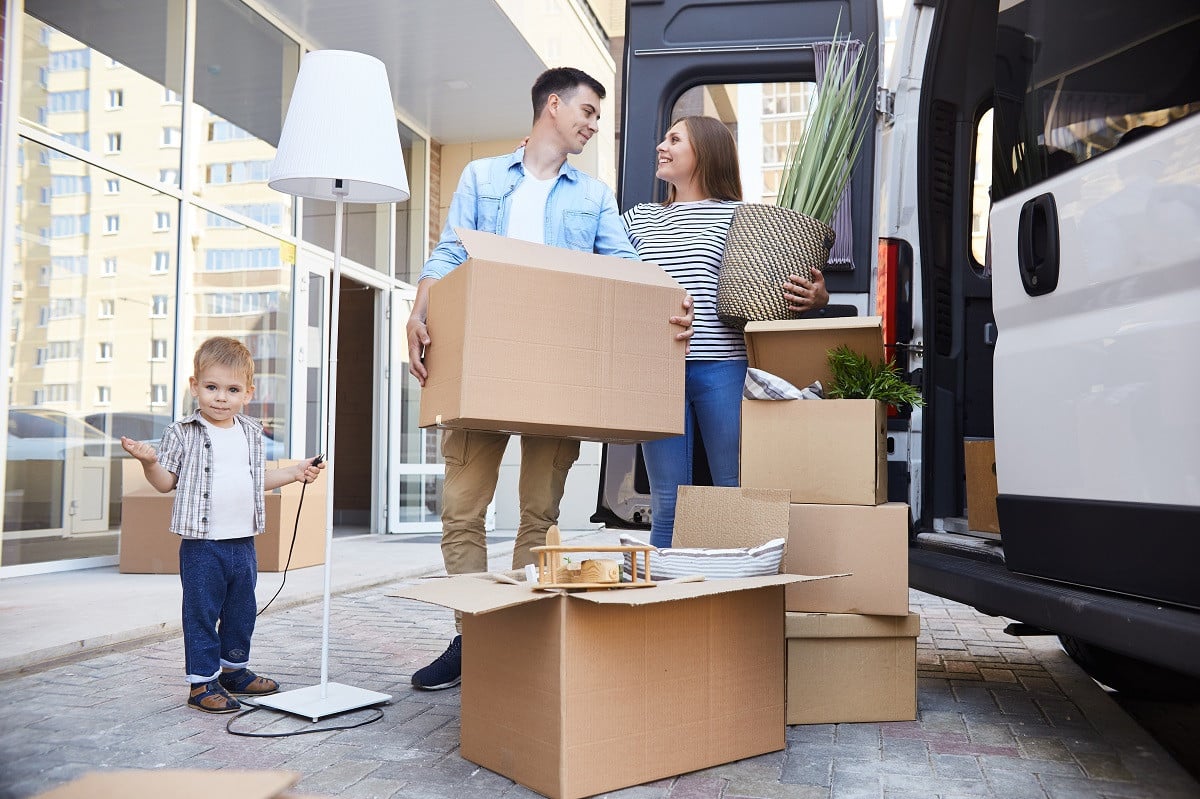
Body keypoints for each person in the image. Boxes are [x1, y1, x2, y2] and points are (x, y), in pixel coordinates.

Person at [405, 67, 693, 691]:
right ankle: (473, 636)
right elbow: (449, 254)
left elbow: (624, 265)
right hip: (483, 360)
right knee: (461, 510)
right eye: (587, 112)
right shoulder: (482, 177)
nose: (592, 125)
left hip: (559, 371)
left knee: (539, 513)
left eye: (596, 116)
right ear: (553, 106)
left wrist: (666, 302)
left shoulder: (591, 197)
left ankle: (517, 635)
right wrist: (419, 312)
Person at [621, 115, 828, 547]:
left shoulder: (744, 219)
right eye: (664, 138)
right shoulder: (637, 219)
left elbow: (777, 290)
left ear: (706, 152)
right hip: (655, 371)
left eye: (675, 139)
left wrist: (817, 297)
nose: (662, 145)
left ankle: (735, 600)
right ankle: (663, 606)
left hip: (723, 366)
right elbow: (608, 278)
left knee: (733, 490)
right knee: (667, 503)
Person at [120, 336, 324, 714]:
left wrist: (296, 472)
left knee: (241, 609)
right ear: (195, 386)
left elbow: (255, 478)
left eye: (232, 390)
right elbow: (166, 482)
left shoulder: (250, 432)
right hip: (202, 545)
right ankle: (201, 683)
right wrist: (149, 462)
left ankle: (233, 671)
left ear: (248, 393)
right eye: (211, 387)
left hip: (242, 542)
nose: (220, 397)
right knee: (201, 611)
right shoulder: (182, 432)